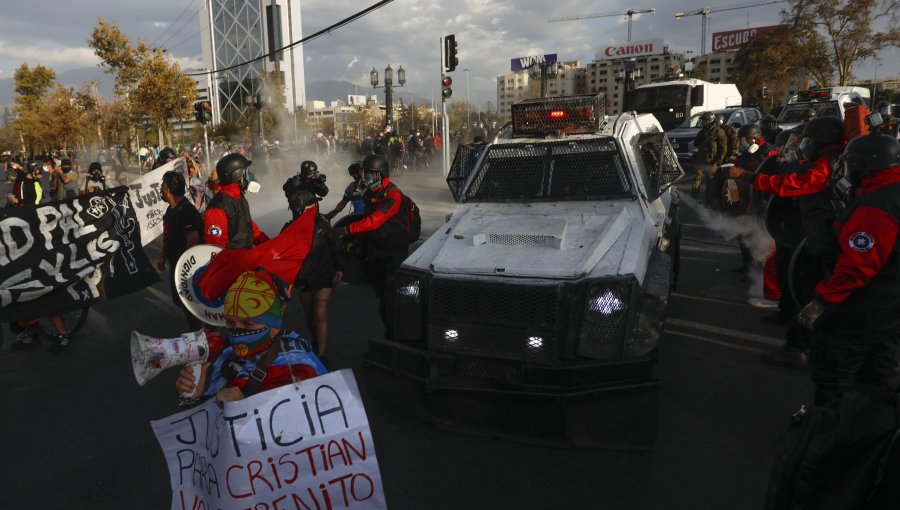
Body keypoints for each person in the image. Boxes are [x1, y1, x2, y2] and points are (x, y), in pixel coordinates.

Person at [730, 116, 847, 368]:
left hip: (820, 240)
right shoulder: (828, 161)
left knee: (808, 293)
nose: (806, 145)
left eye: (810, 140)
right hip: (812, 235)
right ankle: (795, 328)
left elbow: (791, 185)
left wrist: (751, 177)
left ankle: (798, 348)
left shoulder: (827, 165)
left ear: (823, 141)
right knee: (799, 286)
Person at [797, 133, 900, 406]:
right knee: (880, 369)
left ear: (865, 167)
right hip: (891, 303)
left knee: (834, 369)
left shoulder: (876, 207)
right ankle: (871, 431)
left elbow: (858, 266)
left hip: (866, 301)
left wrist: (823, 300)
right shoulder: (890, 192)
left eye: (850, 165)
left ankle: (831, 432)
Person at [175, 270, 327, 405]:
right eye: (230, 322)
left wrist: (245, 408)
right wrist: (194, 398)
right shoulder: (228, 359)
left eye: (248, 324)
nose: (237, 330)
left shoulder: (300, 371)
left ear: (274, 328)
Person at [331, 154, 414, 328]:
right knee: (380, 293)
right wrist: (355, 242)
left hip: (394, 250)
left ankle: (397, 329)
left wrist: (347, 229)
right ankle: (388, 321)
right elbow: (366, 219)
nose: (365, 178)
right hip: (376, 248)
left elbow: (375, 220)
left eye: (370, 174)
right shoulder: (369, 194)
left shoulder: (394, 195)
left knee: (394, 293)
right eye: (365, 173)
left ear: (381, 174)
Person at [282, 162, 340, 364]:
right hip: (304, 273)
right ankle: (316, 340)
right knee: (309, 313)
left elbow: (334, 245)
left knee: (320, 310)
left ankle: (322, 354)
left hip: (323, 271)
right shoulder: (290, 226)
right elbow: (281, 253)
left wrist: (339, 267)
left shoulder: (322, 223)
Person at [156, 171, 205, 331]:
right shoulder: (171, 210)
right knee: (179, 299)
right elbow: (167, 234)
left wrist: (185, 268)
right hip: (175, 263)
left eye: (162, 186)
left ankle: (200, 332)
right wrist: (163, 256)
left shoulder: (186, 211)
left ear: (168, 190)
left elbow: (193, 239)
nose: (160, 189)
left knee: (188, 301)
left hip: (185, 266)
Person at [203, 153, 269, 249]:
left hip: (246, 257)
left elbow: (250, 228)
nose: (246, 178)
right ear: (236, 175)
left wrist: (270, 246)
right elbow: (216, 246)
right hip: (233, 261)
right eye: (244, 174)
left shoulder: (239, 198)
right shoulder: (217, 206)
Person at [692, 111, 728, 205]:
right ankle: (693, 199)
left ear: (710, 121)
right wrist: (701, 137)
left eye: (704, 121)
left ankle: (708, 201)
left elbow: (723, 147)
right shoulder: (702, 131)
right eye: (702, 121)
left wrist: (719, 159)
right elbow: (695, 144)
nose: (703, 123)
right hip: (701, 160)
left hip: (712, 161)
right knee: (697, 178)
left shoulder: (718, 131)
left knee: (710, 181)